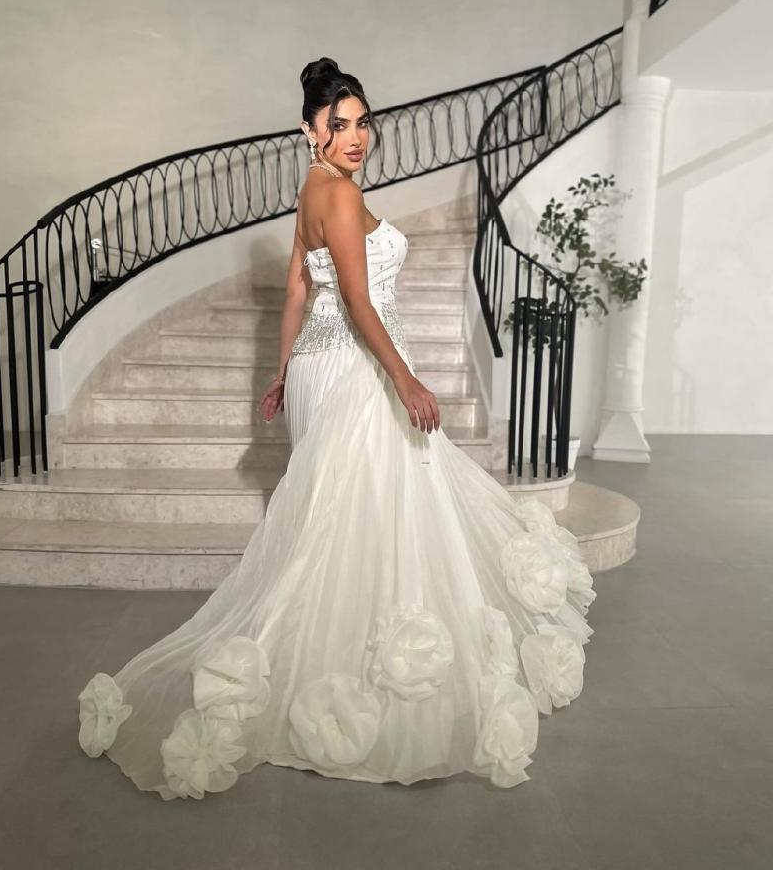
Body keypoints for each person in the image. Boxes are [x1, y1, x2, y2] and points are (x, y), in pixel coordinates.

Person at [76, 58, 597, 800]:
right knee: (373, 507)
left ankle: (334, 644)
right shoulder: (341, 194)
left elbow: (297, 286)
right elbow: (356, 300)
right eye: (339, 124)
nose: (356, 137)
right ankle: (356, 657)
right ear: (309, 129)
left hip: (319, 365)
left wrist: (283, 368)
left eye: (362, 122)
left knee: (340, 513)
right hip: (355, 365)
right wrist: (405, 378)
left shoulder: (310, 189)